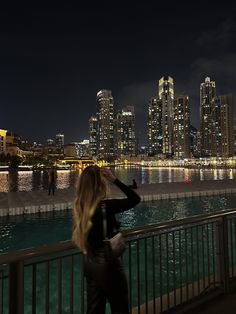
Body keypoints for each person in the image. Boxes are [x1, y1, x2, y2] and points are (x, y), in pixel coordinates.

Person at [72, 165, 141, 314]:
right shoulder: (105, 207)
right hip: (109, 264)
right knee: (120, 307)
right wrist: (114, 179)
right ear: (100, 184)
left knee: (95, 309)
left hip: (90, 263)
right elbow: (135, 198)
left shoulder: (81, 206)